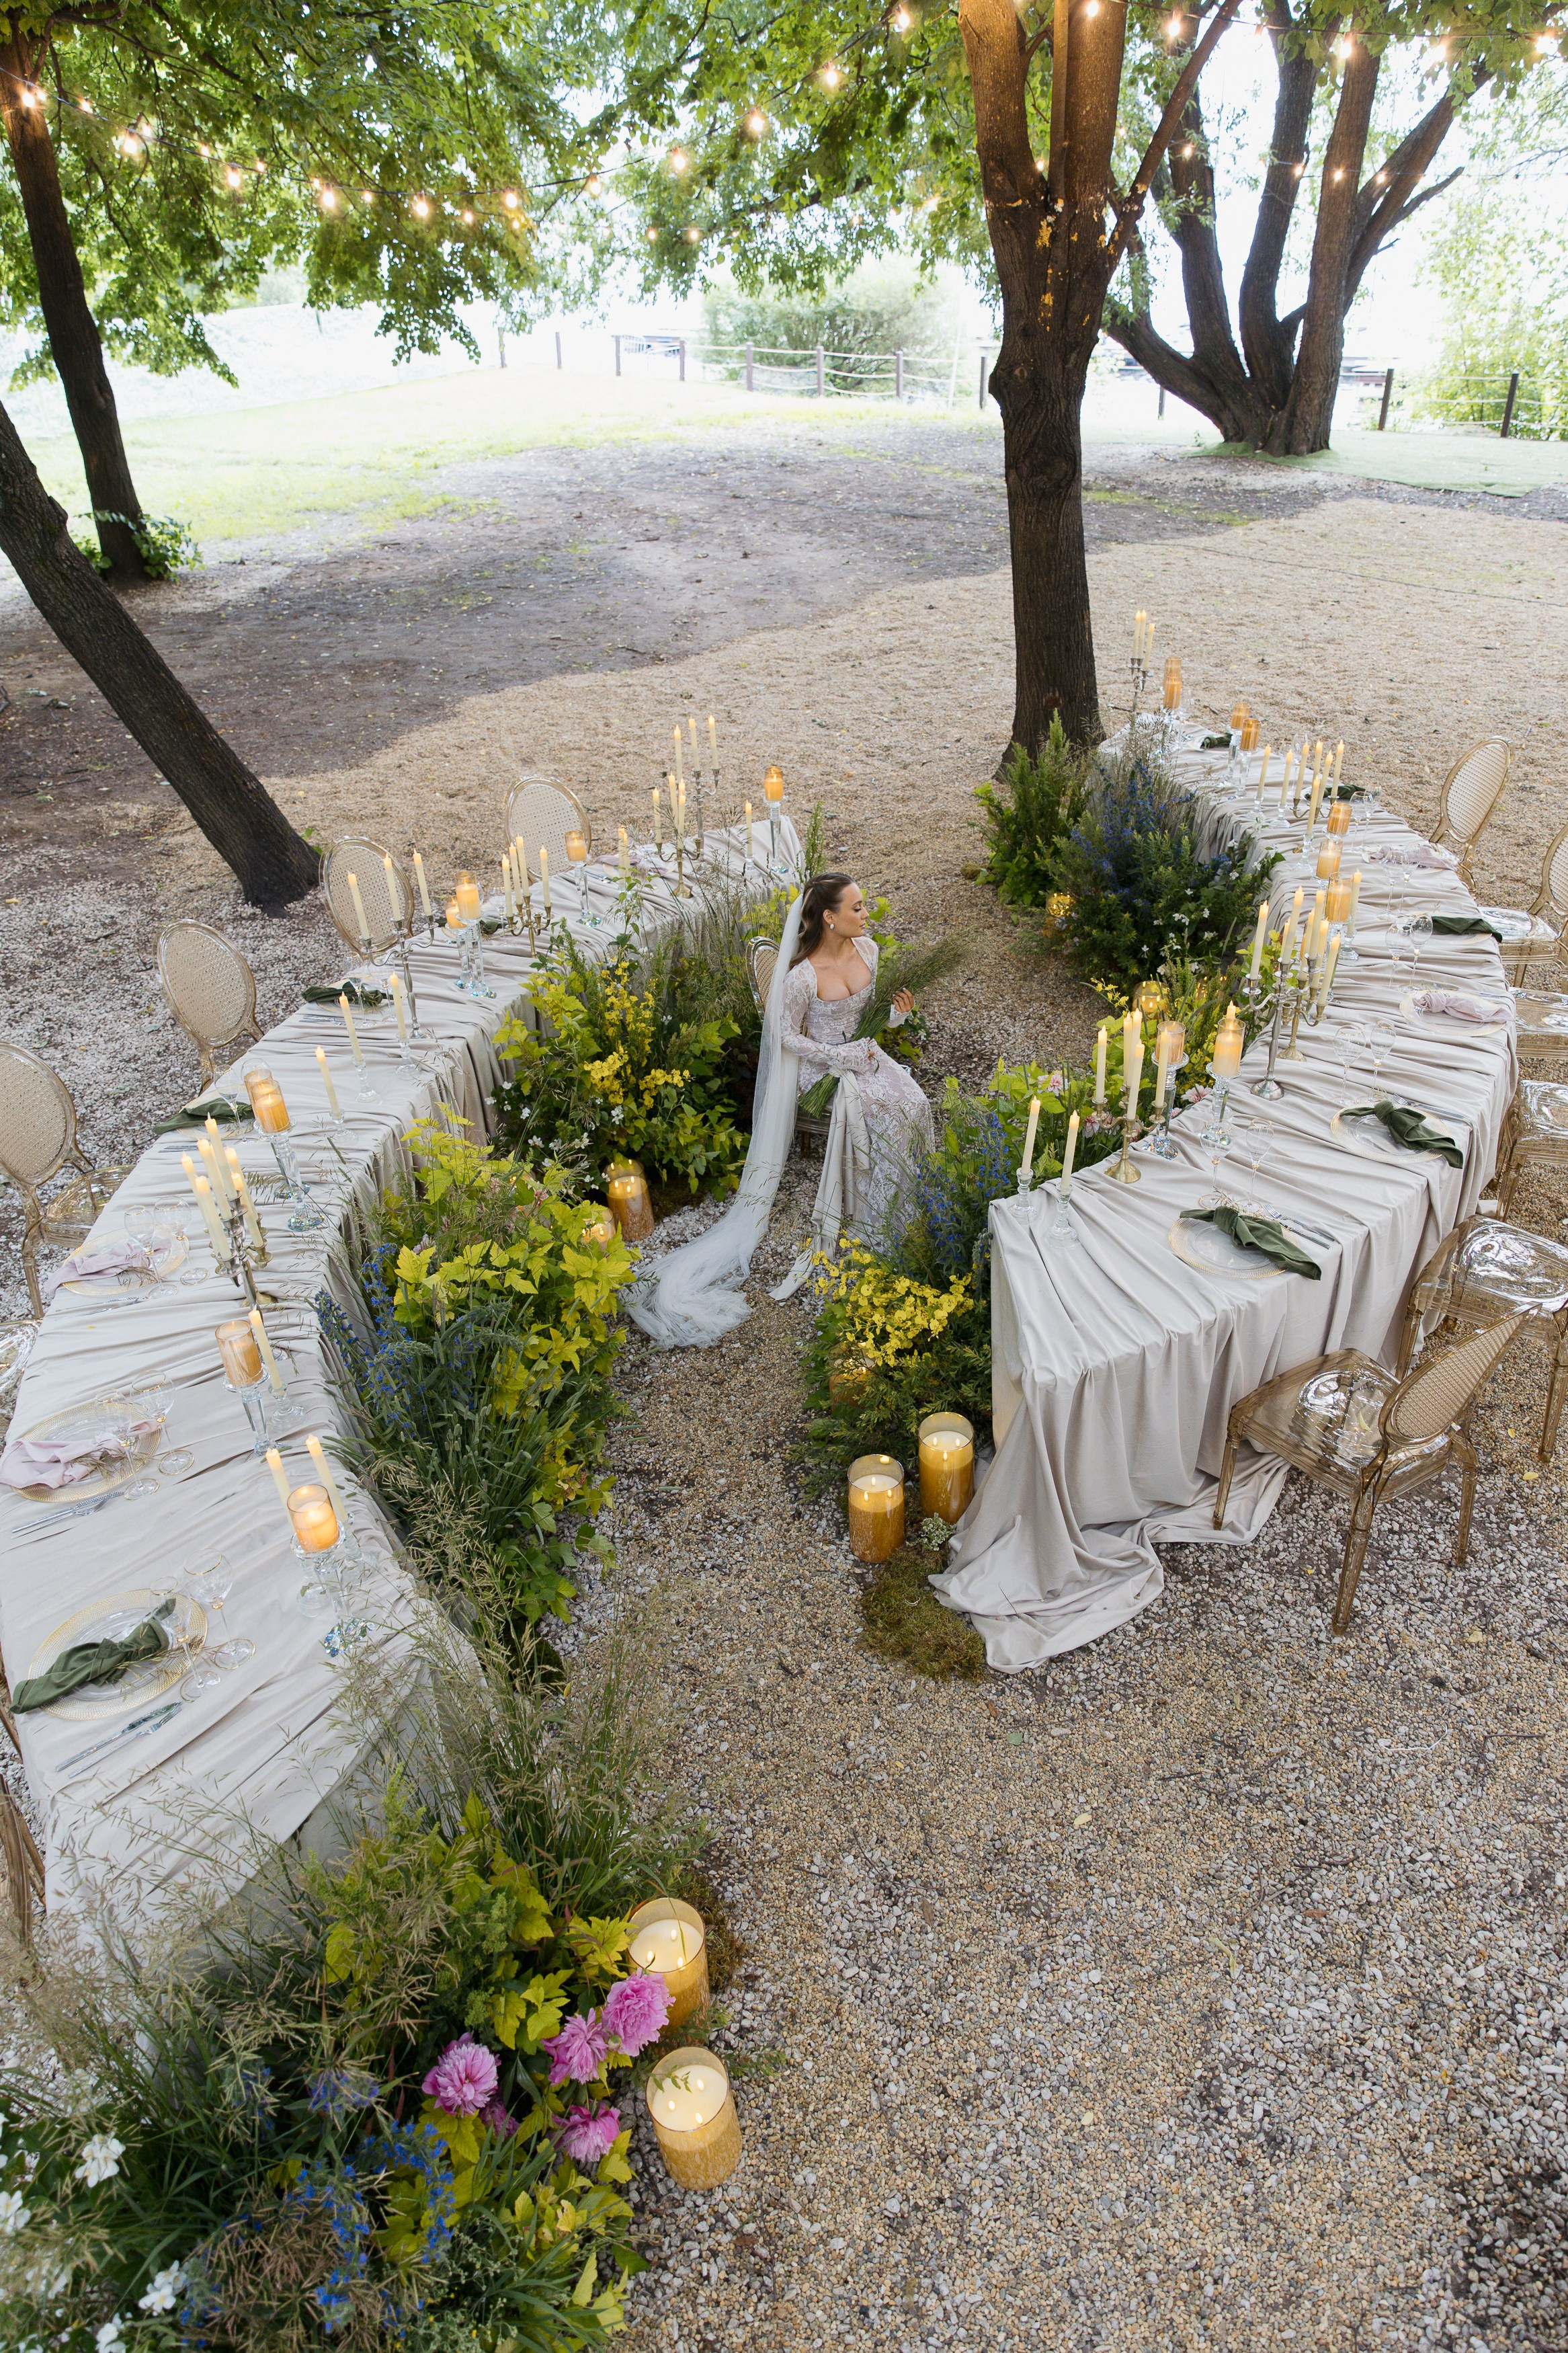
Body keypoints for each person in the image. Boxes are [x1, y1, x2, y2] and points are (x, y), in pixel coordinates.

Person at [777, 873, 935, 1264]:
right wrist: (837, 1057)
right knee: (885, 1113)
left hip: (864, 1052)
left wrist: (898, 1015)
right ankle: (875, 1219)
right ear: (830, 917)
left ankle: (913, 1204)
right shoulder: (803, 977)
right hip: (824, 1067)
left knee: (917, 1103)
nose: (866, 915)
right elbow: (785, 1036)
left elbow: (874, 1016)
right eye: (858, 907)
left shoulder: (867, 950)